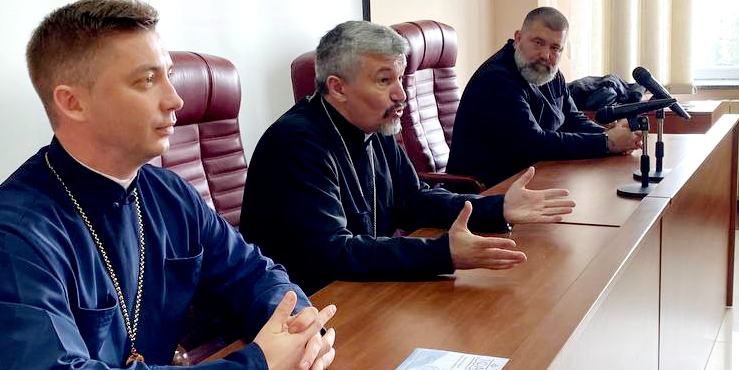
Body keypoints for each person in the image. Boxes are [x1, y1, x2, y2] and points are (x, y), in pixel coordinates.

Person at [0, 0, 336, 370]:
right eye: (147, 81)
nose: (175, 99)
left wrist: (300, 331)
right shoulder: (14, 234)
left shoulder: (167, 192)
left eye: (168, 76)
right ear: (73, 103)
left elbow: (255, 275)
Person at [239, 21, 575, 295]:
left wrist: (497, 208)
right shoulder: (296, 143)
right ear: (338, 88)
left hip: (364, 288)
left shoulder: (374, 125)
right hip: (311, 303)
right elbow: (332, 253)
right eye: (384, 80)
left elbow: (414, 200)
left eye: (400, 78)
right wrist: (443, 253)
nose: (401, 94)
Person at [446, 7, 642, 187]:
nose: (546, 55)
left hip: (530, 180)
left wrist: (614, 137)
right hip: (484, 193)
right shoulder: (496, 79)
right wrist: (607, 143)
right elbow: (534, 143)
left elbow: (573, 120)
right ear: (518, 38)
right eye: (538, 43)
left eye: (555, 48)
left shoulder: (550, 74)